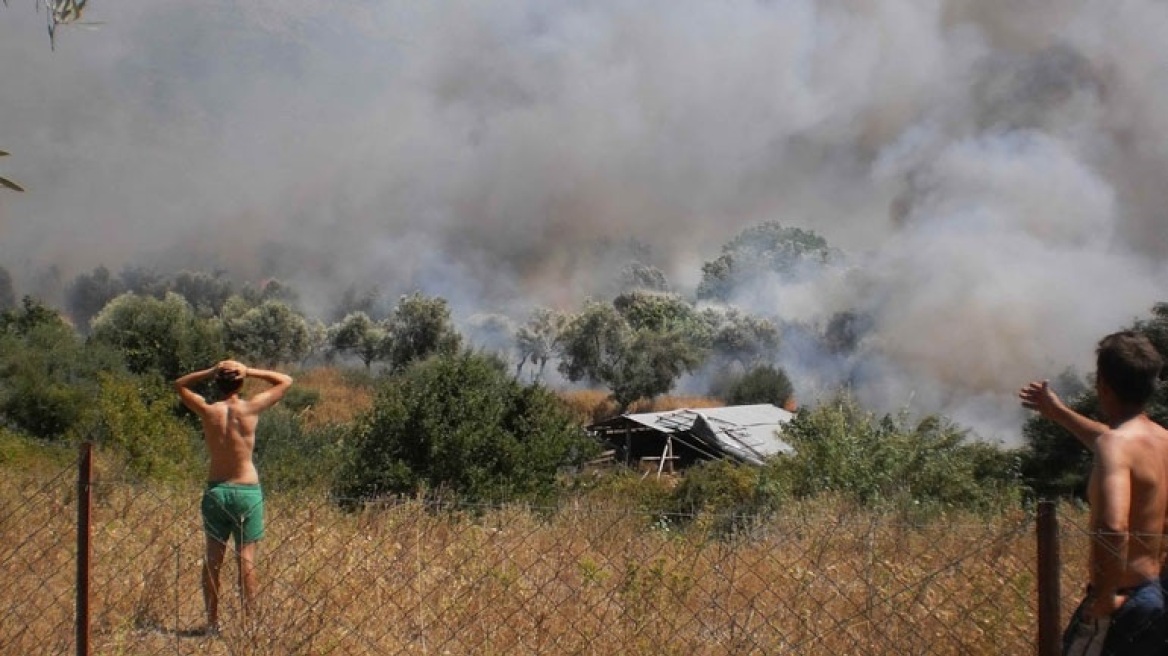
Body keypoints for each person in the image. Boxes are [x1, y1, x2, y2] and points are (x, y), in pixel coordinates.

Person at [1019, 331, 1168, 656]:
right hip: (1155, 595)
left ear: (1102, 384)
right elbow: (1112, 440)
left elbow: (1113, 528)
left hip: (1120, 600)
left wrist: (1103, 599)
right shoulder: (1161, 441)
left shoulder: (1115, 445)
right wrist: (1057, 411)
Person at [174, 360, 293, 633]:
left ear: (217, 383)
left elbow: (179, 385)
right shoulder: (250, 408)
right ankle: (249, 625)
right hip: (247, 490)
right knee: (246, 558)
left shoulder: (208, 410)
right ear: (240, 383)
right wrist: (248, 370)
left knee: (213, 559)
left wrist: (210, 370)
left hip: (217, 490)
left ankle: (213, 624)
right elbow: (285, 380)